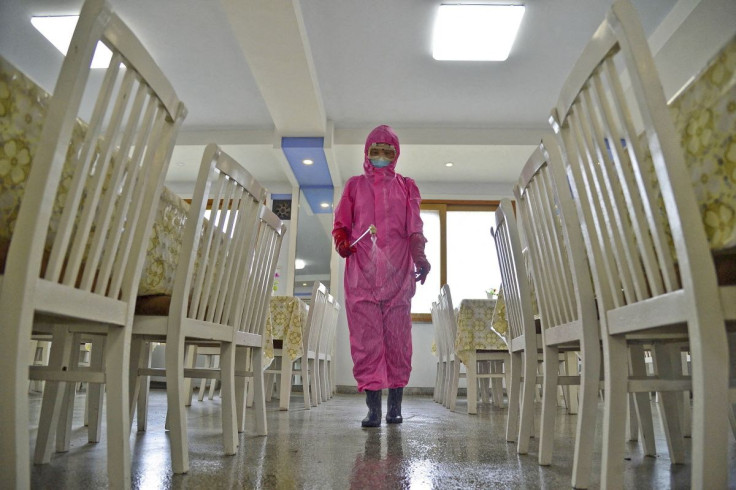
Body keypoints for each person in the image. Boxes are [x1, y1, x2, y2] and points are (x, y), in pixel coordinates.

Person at [332, 125, 430, 428]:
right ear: (366, 152)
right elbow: (342, 225)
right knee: (366, 342)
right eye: (376, 150)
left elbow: (414, 228)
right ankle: (373, 409)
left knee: (398, 341)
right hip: (362, 273)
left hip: (398, 273)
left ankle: (394, 408)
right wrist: (342, 243)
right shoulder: (354, 186)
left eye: (388, 151)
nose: (382, 156)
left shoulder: (407, 186)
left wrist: (420, 256)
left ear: (396, 155)